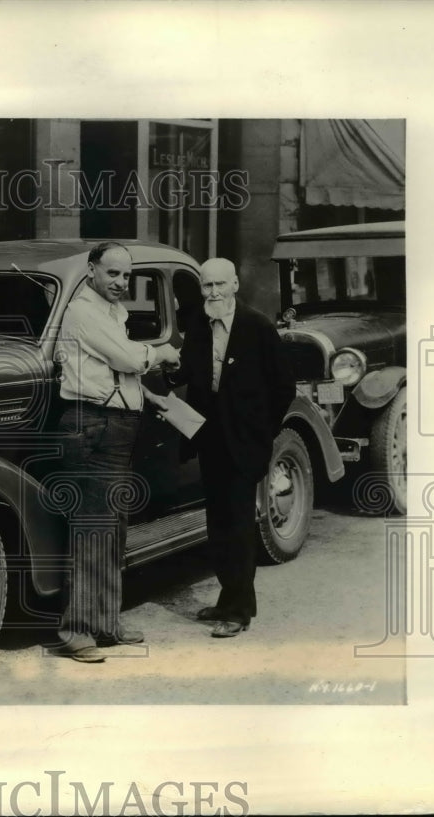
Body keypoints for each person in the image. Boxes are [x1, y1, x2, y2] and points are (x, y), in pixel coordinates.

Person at [53, 241, 180, 663]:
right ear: (91, 271)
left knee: (113, 529)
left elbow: (103, 366)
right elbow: (126, 357)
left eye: (126, 276)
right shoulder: (83, 311)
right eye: (112, 274)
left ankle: (106, 623)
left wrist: (148, 396)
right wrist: (160, 352)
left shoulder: (108, 313)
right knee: (92, 529)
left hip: (114, 425)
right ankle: (76, 632)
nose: (121, 283)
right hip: (92, 424)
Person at [159, 257, 294, 637]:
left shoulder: (258, 326)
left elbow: (284, 387)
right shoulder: (199, 324)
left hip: (244, 441)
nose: (213, 292)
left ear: (235, 284)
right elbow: (190, 369)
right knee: (217, 523)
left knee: (237, 524)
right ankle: (227, 599)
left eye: (220, 285)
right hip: (210, 437)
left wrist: (261, 433)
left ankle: (239, 611)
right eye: (206, 286)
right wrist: (165, 369)